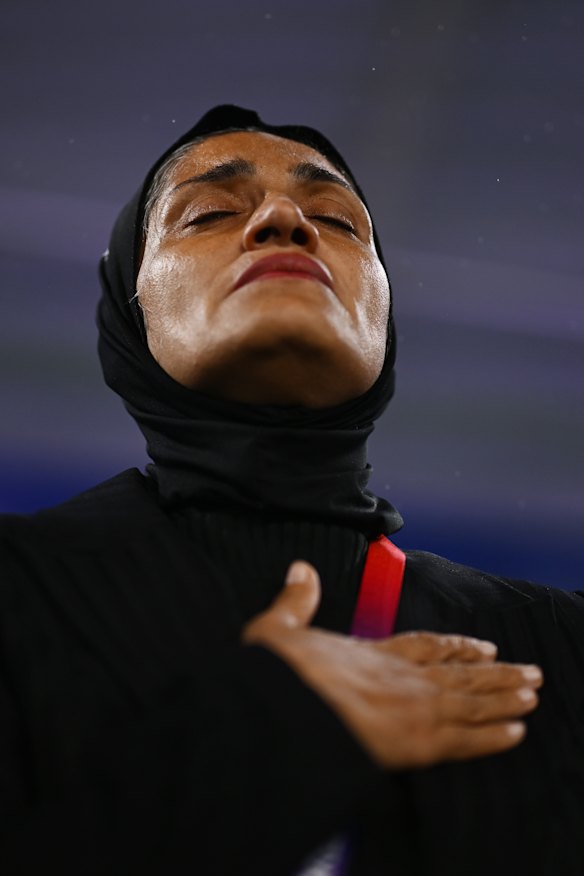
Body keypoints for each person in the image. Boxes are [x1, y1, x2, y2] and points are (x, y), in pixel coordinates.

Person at [0, 104, 582, 876]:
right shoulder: (18, 592)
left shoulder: (561, 651)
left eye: (339, 221)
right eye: (208, 212)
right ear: (127, 315)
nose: (284, 219)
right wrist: (274, 733)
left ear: (384, 320)